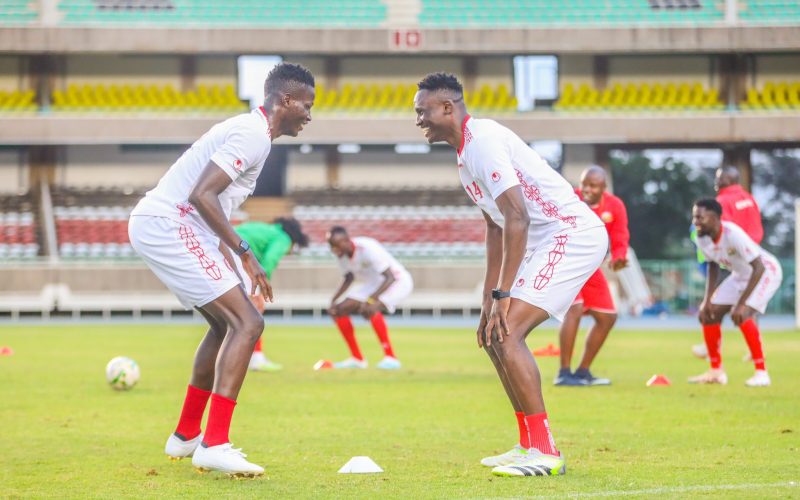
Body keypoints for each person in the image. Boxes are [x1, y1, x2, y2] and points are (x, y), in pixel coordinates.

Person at [414, 73, 606, 477]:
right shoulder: (465, 157)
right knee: (493, 335)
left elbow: (517, 215)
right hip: (542, 238)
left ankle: (547, 452)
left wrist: (504, 296)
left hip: (571, 232)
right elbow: (496, 227)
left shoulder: (482, 142)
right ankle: (528, 444)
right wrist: (489, 299)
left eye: (423, 111)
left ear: (447, 107)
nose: (419, 120)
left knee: (509, 331)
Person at [127, 62, 315, 476]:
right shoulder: (252, 135)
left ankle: (186, 435)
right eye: (306, 104)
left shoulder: (254, 134)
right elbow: (202, 195)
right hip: (170, 224)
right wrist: (246, 252)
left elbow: (216, 212)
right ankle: (215, 443)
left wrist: (235, 265)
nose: (309, 114)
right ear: (285, 100)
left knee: (224, 325)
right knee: (248, 323)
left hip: (171, 225)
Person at [689, 198, 781, 387]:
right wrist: (707, 301)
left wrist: (742, 304)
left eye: (700, 217)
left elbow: (758, 267)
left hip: (766, 273)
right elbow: (712, 265)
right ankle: (716, 372)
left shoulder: (733, 234)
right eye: (694, 217)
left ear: (715, 218)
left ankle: (762, 373)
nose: (696, 222)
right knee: (709, 314)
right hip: (740, 275)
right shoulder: (701, 237)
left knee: (742, 314)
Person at [554, 166, 629, 386]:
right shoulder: (570, 199)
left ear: (604, 188)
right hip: (567, 262)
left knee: (607, 317)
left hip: (591, 267)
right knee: (574, 309)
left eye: (592, 185)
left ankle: (583, 372)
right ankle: (564, 373)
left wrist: (619, 256)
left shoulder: (615, 205)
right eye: (584, 184)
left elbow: (620, 235)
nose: (586, 189)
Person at [692, 166, 764, 359]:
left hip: (731, 254)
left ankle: (711, 347)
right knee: (747, 303)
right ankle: (753, 347)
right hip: (754, 251)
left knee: (718, 305)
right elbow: (758, 224)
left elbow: (721, 230)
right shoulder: (749, 198)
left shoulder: (722, 201)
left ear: (730, 180)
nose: (717, 182)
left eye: (720, 179)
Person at [325, 226, 412, 370]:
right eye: (331, 246)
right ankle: (357, 359)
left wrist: (371, 300)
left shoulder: (367, 248)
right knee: (339, 310)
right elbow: (349, 277)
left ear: (346, 241)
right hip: (375, 283)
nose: (334, 249)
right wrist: (333, 301)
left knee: (371, 308)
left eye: (336, 245)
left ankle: (391, 358)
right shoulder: (342, 255)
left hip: (398, 281)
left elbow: (389, 277)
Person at [233, 218, 310, 371]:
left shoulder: (268, 230)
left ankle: (248, 356)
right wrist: (262, 286)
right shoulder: (283, 238)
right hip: (236, 255)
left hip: (222, 250)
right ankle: (256, 358)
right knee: (255, 309)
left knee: (242, 312)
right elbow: (269, 260)